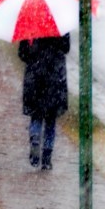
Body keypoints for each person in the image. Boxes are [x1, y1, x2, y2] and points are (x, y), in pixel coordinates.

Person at [18, 33, 70, 170]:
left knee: (36, 114)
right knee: (50, 119)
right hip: (54, 76)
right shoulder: (60, 24)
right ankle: (47, 158)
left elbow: (22, 53)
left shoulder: (30, 25)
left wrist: (33, 54)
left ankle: (35, 138)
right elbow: (66, 48)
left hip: (34, 75)